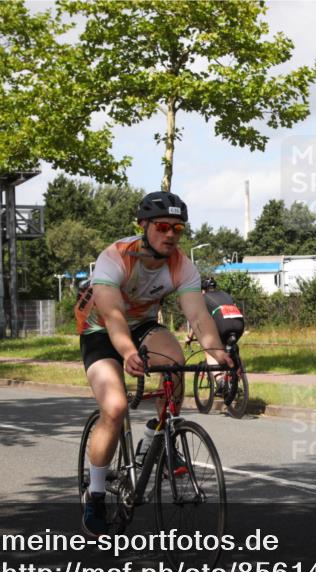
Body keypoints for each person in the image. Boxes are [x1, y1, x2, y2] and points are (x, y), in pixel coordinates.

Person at [76, 191, 232, 536]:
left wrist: (216, 357)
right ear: (143, 226)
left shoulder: (182, 265)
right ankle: (96, 493)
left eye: (178, 228)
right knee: (115, 407)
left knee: (174, 364)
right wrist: (129, 353)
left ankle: (153, 438)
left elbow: (198, 315)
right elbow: (113, 315)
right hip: (101, 328)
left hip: (143, 325)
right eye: (163, 226)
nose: (171, 234)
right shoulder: (115, 257)